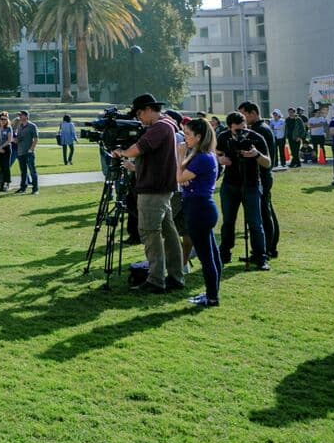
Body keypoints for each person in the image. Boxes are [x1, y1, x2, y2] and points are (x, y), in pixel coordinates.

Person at [112, 94, 184, 293]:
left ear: (148, 109)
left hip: (154, 189)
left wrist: (122, 152)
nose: (138, 118)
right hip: (160, 188)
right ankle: (175, 276)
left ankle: (155, 280)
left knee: (149, 232)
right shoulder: (166, 125)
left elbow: (139, 148)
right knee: (168, 233)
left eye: (139, 113)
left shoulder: (160, 127)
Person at [215, 110, 271, 270]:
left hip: (251, 184)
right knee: (228, 221)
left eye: (244, 128)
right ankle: (224, 253)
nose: (242, 132)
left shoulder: (256, 138)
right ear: (229, 128)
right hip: (230, 185)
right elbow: (215, 154)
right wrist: (220, 159)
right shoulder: (223, 137)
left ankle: (260, 257)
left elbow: (267, 163)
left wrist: (256, 154)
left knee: (255, 222)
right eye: (238, 130)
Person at [178, 117, 221, 307]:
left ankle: (212, 297)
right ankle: (212, 293)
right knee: (211, 254)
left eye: (188, 135)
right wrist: (184, 175)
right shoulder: (204, 155)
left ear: (199, 136)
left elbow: (179, 178)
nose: (185, 138)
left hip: (199, 209)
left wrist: (180, 156)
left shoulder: (202, 157)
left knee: (206, 257)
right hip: (202, 207)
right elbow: (184, 178)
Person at [239, 101, 280, 259]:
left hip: (262, 176)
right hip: (264, 175)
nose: (242, 119)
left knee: (264, 212)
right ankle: (270, 246)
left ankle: (267, 248)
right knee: (266, 210)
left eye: (244, 115)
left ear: (253, 113)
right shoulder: (260, 128)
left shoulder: (259, 130)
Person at [13, 110, 39, 194]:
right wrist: (14, 140)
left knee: (32, 170)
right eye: (19, 115)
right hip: (20, 152)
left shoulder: (32, 126)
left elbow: (36, 139)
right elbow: (19, 138)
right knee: (23, 171)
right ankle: (23, 187)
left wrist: (31, 149)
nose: (19, 117)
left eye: (21, 115)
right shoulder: (20, 126)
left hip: (29, 152)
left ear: (26, 116)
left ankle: (35, 189)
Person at [0, 112, 13, 192]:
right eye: (2, 119)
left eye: (5, 119)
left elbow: (9, 140)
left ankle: (7, 182)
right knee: (1, 166)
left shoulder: (8, 128)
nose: (3, 121)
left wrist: (1, 147)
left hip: (6, 149)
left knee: (6, 166)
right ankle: (1, 182)